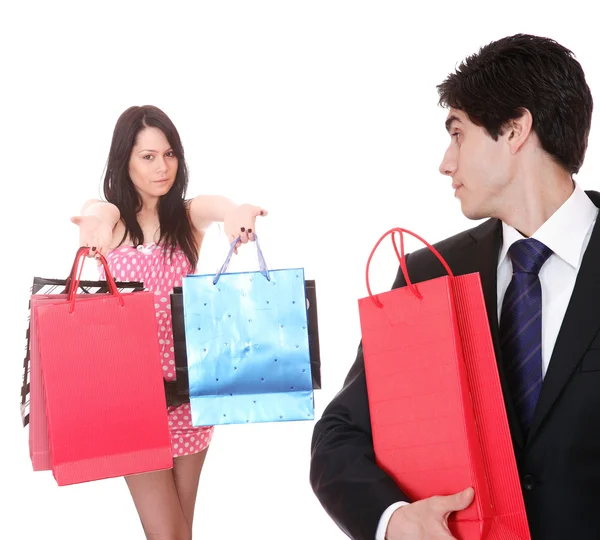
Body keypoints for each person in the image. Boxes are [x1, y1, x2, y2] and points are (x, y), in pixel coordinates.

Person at [310, 33, 597, 540]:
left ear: (514, 130)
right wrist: (394, 520)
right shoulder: (428, 274)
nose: (446, 162)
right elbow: (340, 438)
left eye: (458, 134)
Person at [71, 104, 267, 539]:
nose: (162, 167)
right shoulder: (115, 220)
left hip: (189, 396)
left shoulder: (185, 218)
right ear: (124, 160)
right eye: (148, 156)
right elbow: (96, 211)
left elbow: (218, 205)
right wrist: (93, 226)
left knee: (180, 531)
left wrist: (235, 214)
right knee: (169, 534)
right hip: (131, 400)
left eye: (169, 154)